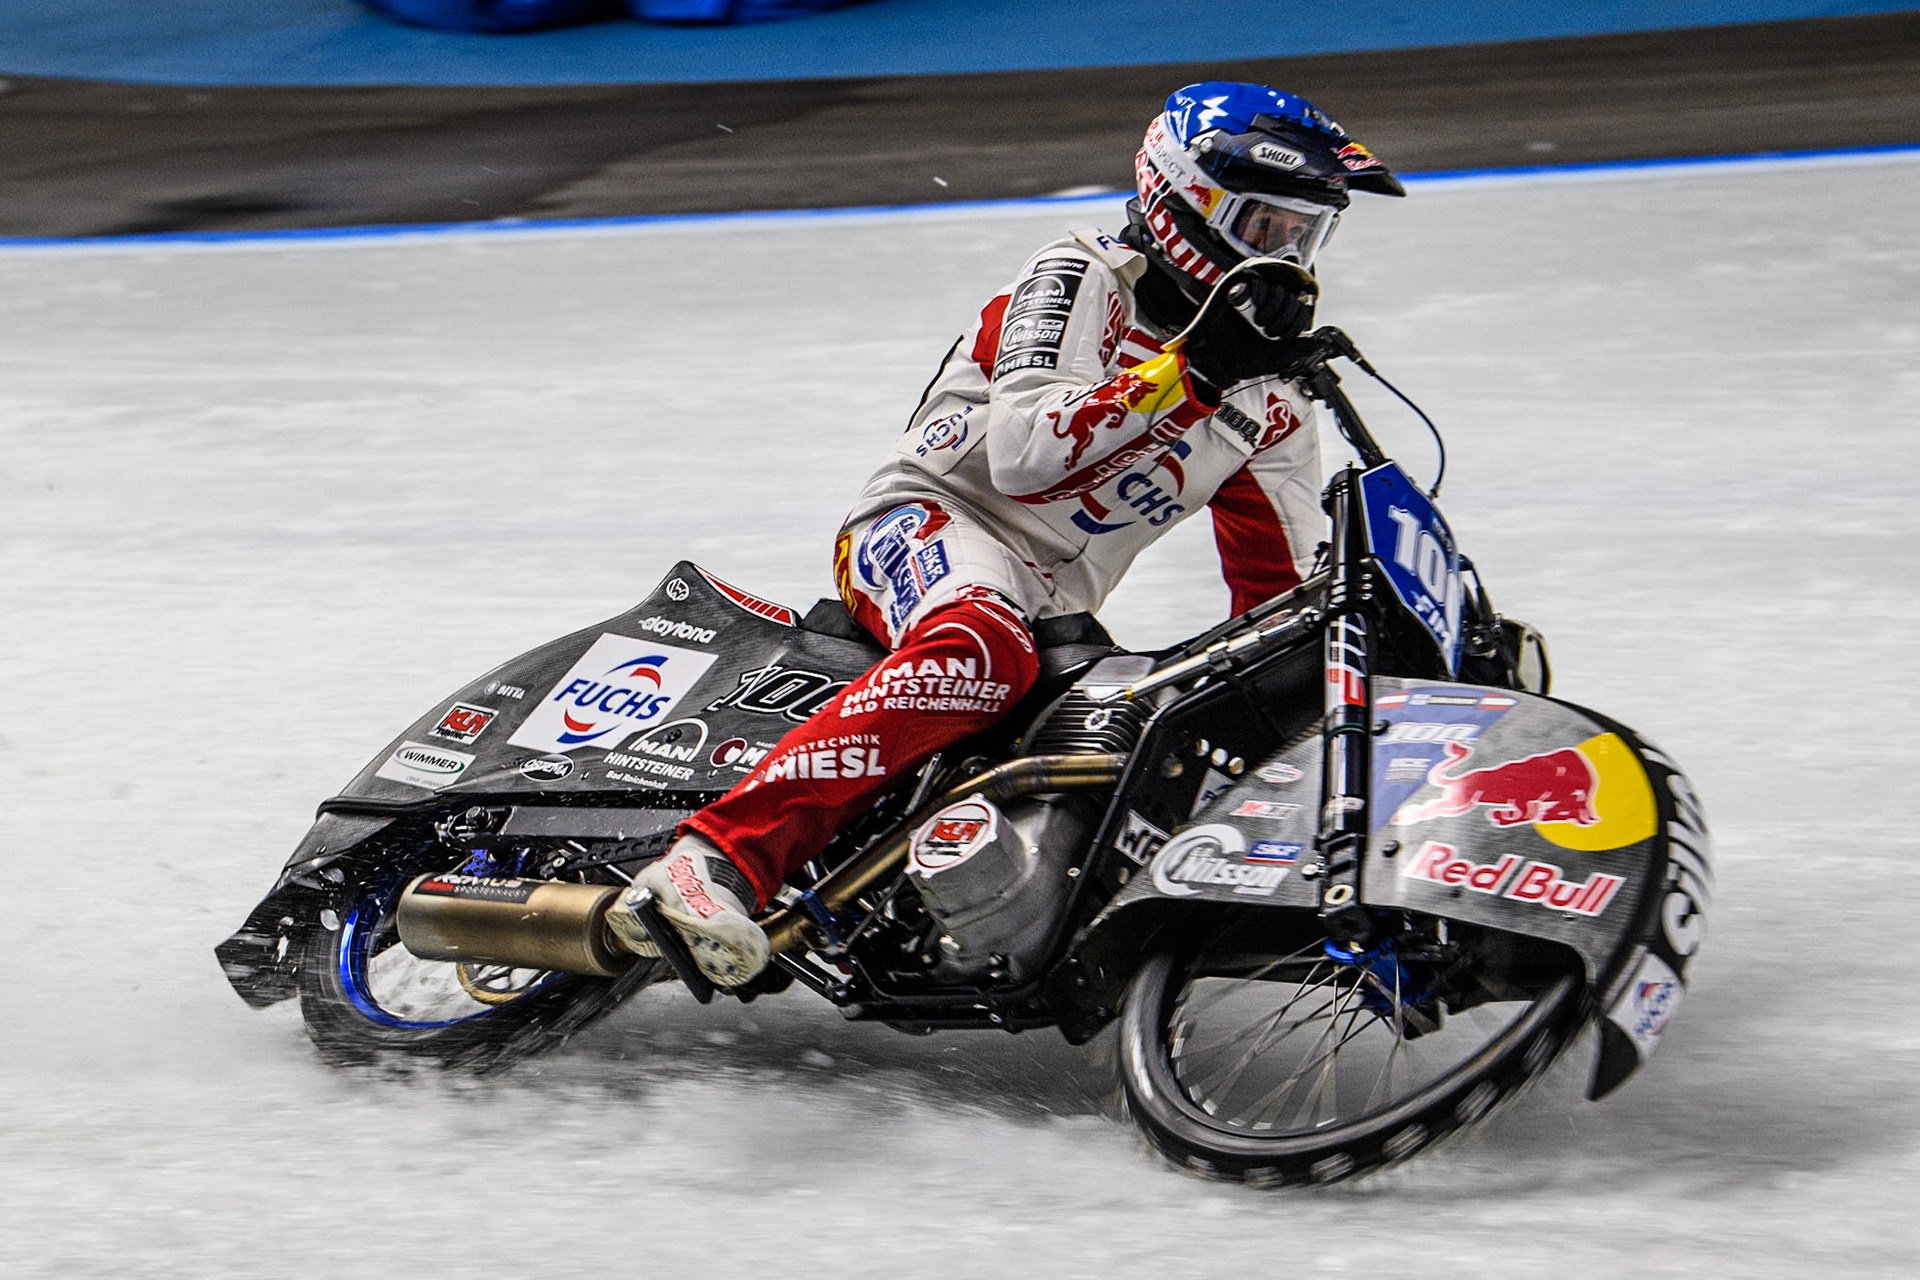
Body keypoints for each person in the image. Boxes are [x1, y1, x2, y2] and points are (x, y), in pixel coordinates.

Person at [605, 81, 1405, 985]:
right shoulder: (1084, 275)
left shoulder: (1274, 401)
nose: (1287, 254)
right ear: (1188, 201)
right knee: (984, 648)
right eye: (1267, 226)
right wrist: (1193, 374)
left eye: (1307, 232)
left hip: (1053, 602)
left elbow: (1275, 589)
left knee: (1169, 716)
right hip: (928, 521)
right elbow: (1026, 453)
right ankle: (713, 858)